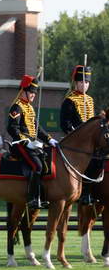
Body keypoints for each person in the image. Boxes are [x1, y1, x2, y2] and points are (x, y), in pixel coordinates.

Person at [7, 75, 58, 209]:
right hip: (20, 144)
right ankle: (32, 198)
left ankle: (42, 195)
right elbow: (12, 128)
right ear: (23, 91)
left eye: (34, 93)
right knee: (38, 166)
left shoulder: (29, 108)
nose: (33, 95)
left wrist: (49, 139)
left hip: (32, 145)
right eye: (31, 92)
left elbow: (37, 128)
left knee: (46, 165)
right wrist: (26, 141)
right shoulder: (16, 107)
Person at [60, 65, 98, 205]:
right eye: (82, 82)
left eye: (87, 82)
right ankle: (83, 193)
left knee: (99, 159)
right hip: (75, 142)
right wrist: (78, 134)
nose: (84, 85)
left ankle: (93, 190)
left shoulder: (90, 100)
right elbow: (65, 124)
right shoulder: (69, 101)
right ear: (76, 83)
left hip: (91, 142)